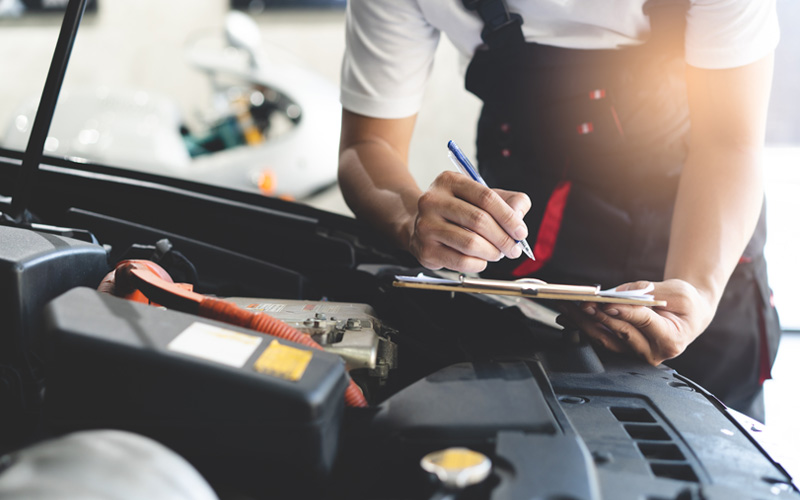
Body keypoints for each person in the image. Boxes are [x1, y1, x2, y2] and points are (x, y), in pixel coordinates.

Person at [336, 0, 781, 422]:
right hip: (531, 271)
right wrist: (410, 218)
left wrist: (699, 289)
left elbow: (728, 143)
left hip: (702, 251)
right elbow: (367, 144)